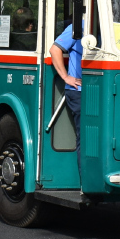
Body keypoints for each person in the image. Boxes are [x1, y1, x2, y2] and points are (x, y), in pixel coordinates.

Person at [49, 19, 84, 178]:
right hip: (78, 91)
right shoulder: (79, 26)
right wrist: (66, 76)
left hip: (99, 88)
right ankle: (86, 183)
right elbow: (55, 49)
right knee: (85, 138)